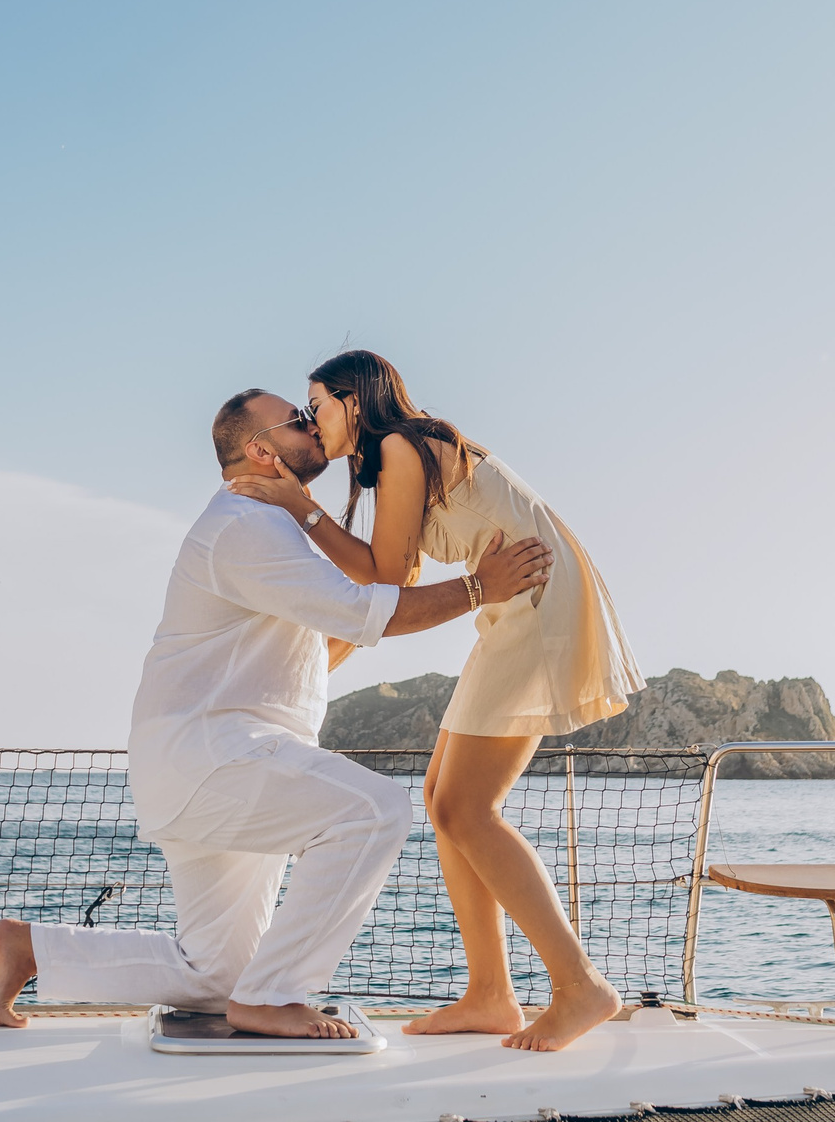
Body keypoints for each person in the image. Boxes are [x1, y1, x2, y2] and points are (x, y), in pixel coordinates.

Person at [0, 388, 552, 1039]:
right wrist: (484, 586)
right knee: (376, 810)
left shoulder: (269, 523)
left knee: (216, 976)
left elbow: (345, 619)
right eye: (299, 420)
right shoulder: (246, 526)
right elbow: (367, 614)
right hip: (216, 756)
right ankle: (276, 993)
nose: (314, 427)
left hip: (211, 764)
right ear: (260, 449)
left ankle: (31, 948)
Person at [227, 350, 641, 1051]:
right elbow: (394, 585)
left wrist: (300, 506)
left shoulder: (396, 443)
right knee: (441, 797)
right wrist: (315, 664)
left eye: (318, 405)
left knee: (464, 806)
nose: (313, 420)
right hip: (516, 602)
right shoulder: (397, 456)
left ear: (354, 400)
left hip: (535, 598)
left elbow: (384, 576)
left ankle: (580, 985)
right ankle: (491, 994)